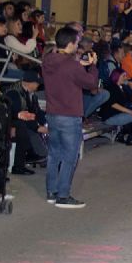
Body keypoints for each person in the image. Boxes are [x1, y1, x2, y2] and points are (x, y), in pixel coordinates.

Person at [42, 27, 98, 209]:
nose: (77, 46)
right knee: (70, 156)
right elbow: (90, 83)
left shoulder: (48, 59)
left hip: (52, 113)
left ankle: (51, 191)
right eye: (76, 42)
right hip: (69, 115)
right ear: (70, 44)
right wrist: (93, 66)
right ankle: (63, 195)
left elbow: (65, 72)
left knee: (53, 155)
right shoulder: (71, 65)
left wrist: (80, 66)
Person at [4, 69, 48, 175]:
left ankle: (38, 154)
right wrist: (37, 127)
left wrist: (45, 121)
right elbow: (18, 115)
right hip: (11, 121)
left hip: (23, 121)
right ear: (30, 83)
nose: (38, 85)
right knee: (24, 128)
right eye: (37, 83)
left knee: (37, 124)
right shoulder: (14, 93)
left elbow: (36, 111)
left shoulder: (31, 94)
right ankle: (19, 165)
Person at [99, 70, 132, 147]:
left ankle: (122, 136)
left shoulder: (122, 87)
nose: (125, 78)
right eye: (123, 76)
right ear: (117, 77)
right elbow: (113, 104)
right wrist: (129, 112)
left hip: (117, 114)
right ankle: (129, 138)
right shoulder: (111, 87)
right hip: (110, 117)